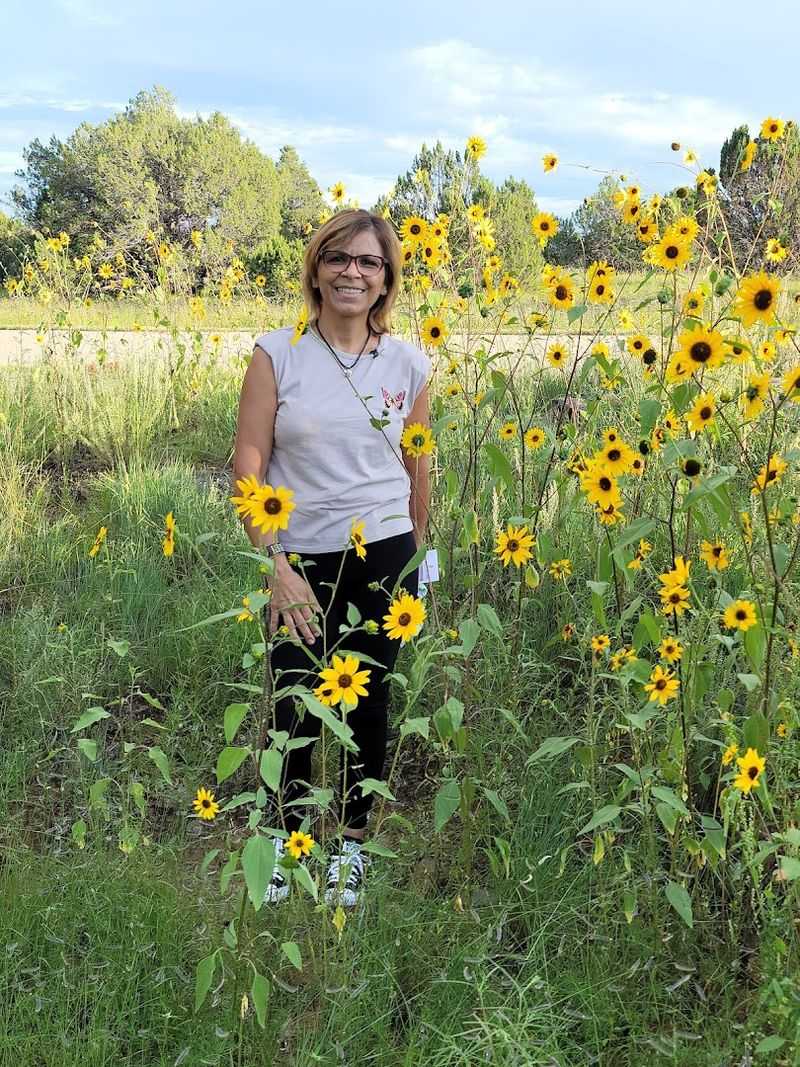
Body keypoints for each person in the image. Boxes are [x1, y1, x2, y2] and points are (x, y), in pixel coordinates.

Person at [233, 209, 431, 907]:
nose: (353, 271)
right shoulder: (276, 354)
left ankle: (350, 846)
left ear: (386, 281)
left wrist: (418, 564)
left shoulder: (408, 364)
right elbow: (247, 464)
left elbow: (416, 468)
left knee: (369, 700)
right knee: (296, 702)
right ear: (315, 270)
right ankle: (288, 846)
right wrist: (275, 565)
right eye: (339, 258)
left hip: (384, 554)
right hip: (301, 556)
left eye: (369, 262)